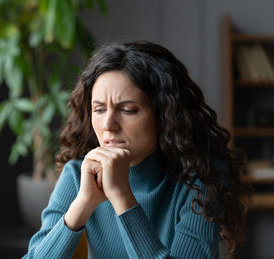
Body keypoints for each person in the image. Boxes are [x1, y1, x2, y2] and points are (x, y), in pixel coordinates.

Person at [22, 41, 250, 258]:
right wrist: (82, 205)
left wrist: (122, 196)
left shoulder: (200, 178)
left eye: (128, 110)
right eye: (99, 109)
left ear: (164, 116)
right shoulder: (78, 174)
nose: (108, 125)